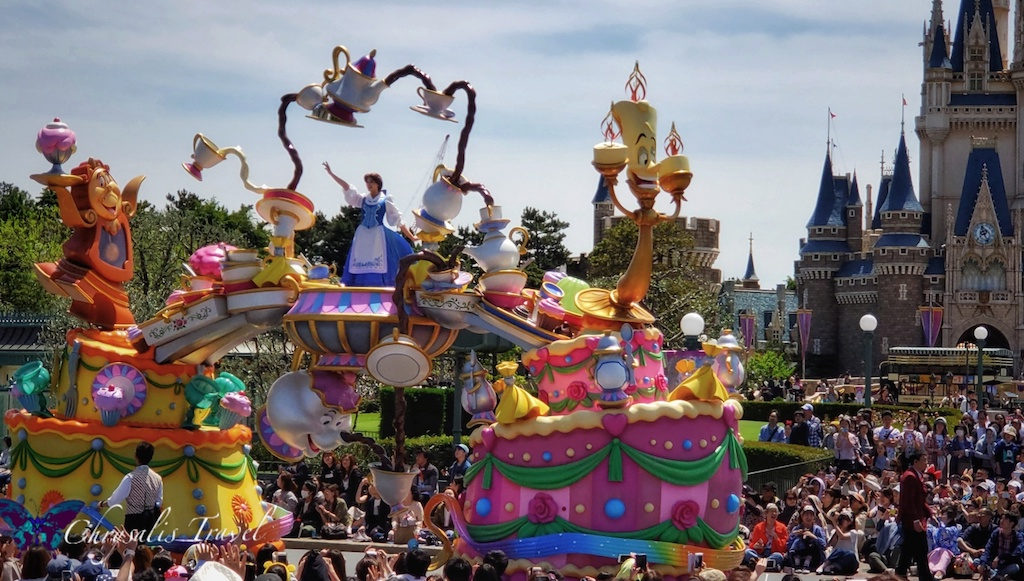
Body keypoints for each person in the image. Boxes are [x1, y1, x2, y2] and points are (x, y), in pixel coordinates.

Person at [323, 163, 415, 287]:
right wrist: (331, 174)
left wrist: (411, 236)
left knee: (378, 260)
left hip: (378, 235)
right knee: (360, 259)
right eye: (367, 182)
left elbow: (398, 219)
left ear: (378, 183)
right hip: (362, 235)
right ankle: (357, 285)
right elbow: (347, 188)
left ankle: (377, 285)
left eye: (371, 182)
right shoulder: (363, 199)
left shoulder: (385, 199)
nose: (368, 184)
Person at [100, 442, 163, 538]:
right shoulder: (157, 478)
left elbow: (114, 500)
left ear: (136, 456)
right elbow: (159, 502)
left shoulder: (130, 477)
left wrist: (102, 504)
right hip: (150, 520)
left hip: (134, 519)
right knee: (143, 547)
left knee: (130, 547)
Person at [896, 451, 936, 581]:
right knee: (919, 548)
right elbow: (909, 501)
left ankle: (901, 573)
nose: (926, 463)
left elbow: (919, 500)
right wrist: (915, 520)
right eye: (923, 460)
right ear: (915, 462)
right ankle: (924, 577)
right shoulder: (910, 477)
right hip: (912, 519)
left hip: (917, 517)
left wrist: (930, 513)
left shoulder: (917, 476)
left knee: (910, 549)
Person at [979, 512, 1024, 580]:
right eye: (1001, 518)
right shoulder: (996, 533)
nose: (1001, 521)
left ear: (1011, 523)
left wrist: (1000, 557)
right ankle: (999, 576)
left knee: (1015, 567)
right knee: (977, 561)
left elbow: (1016, 553)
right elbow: (988, 548)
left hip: (1007, 564)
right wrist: (982, 562)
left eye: (1005, 519)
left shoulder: (1017, 537)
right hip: (994, 564)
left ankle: (992, 574)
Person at [785, 505, 826, 573]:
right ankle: (797, 564)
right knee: (798, 541)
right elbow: (789, 545)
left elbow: (823, 545)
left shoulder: (818, 529)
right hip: (798, 555)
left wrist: (813, 536)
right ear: (802, 516)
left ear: (814, 517)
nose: (808, 517)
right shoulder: (796, 529)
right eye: (806, 514)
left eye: (811, 515)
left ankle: (807, 565)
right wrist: (795, 535)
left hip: (813, 557)